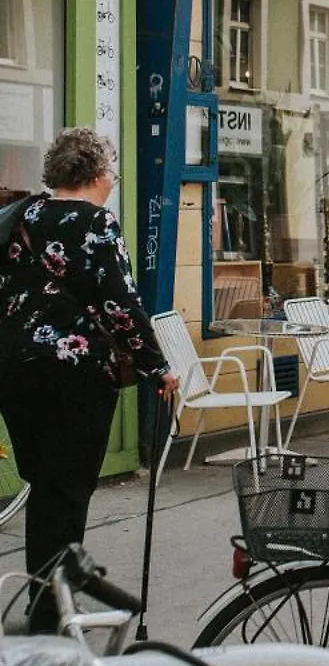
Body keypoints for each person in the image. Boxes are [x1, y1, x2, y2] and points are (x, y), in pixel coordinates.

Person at [0, 128, 178, 632]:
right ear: (98, 175)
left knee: (47, 485)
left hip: (14, 368)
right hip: (71, 374)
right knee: (68, 488)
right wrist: (156, 367)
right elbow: (121, 305)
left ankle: (45, 598)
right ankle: (51, 612)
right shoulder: (95, 221)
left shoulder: (21, 217)